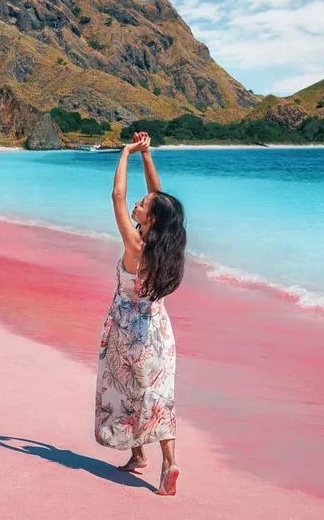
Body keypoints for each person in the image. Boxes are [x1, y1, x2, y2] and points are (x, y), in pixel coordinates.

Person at [94, 131, 187, 496]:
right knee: (157, 394)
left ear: (149, 219)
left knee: (126, 391)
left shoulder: (135, 245)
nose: (137, 202)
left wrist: (125, 153)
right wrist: (148, 156)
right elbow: (160, 200)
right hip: (159, 329)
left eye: (143, 204)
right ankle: (166, 463)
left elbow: (116, 196)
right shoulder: (165, 246)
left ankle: (138, 454)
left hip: (127, 330)